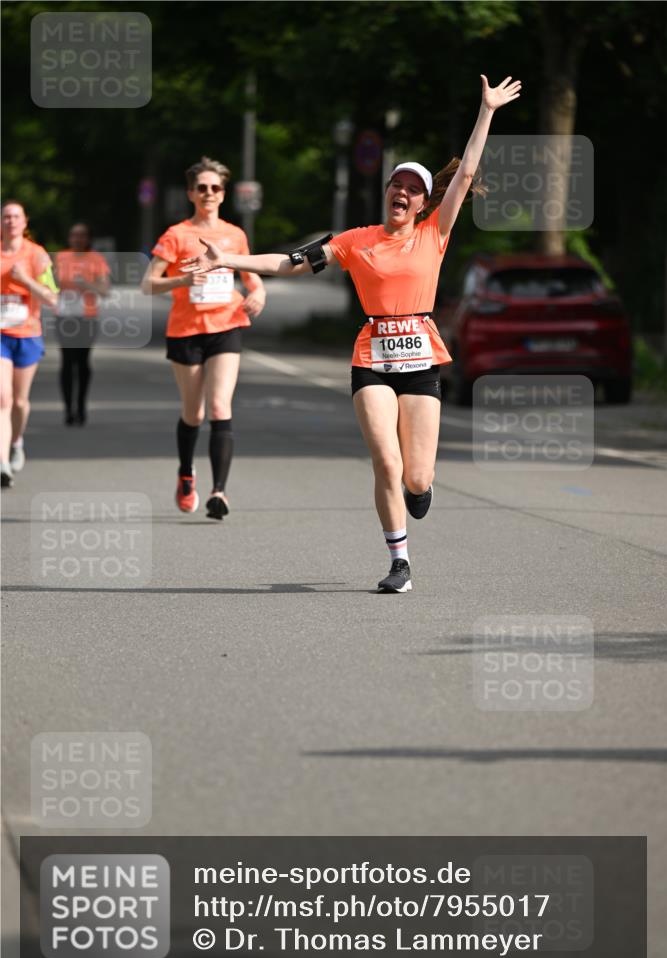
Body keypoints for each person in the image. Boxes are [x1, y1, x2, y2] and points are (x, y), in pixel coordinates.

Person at [181, 75, 521, 589]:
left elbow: (467, 170)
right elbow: (290, 261)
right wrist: (226, 258)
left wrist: (487, 111)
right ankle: (399, 562)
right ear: (386, 193)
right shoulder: (355, 240)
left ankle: (419, 488)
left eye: (412, 189)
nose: (402, 193)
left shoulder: (435, 232)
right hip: (373, 357)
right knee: (385, 459)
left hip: (421, 356)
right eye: (396, 186)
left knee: (416, 475)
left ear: (425, 202)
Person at [141, 156, 266, 518]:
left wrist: (259, 293)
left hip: (226, 325)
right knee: (193, 413)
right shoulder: (176, 235)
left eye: (215, 188)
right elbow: (147, 284)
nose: (208, 193)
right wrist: (181, 280)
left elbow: (252, 276)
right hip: (185, 331)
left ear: (223, 194)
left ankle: (219, 492)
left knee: (219, 407)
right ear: (191, 193)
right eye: (202, 188)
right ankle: (185, 473)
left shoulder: (235, 235)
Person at [1, 200, 58, 488]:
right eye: (6, 217)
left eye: (16, 217)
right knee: (2, 398)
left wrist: (24, 280)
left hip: (27, 334)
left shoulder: (37, 256)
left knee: (20, 401)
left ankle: (17, 442)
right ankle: (2, 463)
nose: (10, 221)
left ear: (25, 223)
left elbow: (52, 298)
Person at [53, 222, 111, 425]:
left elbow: (105, 290)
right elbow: (50, 284)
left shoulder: (96, 259)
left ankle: (81, 406)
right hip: (65, 316)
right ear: (69, 238)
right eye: (74, 235)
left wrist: (85, 284)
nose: (78, 239)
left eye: (82, 235)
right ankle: (69, 409)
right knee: (67, 361)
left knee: (82, 361)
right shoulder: (61, 257)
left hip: (87, 317)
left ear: (88, 238)